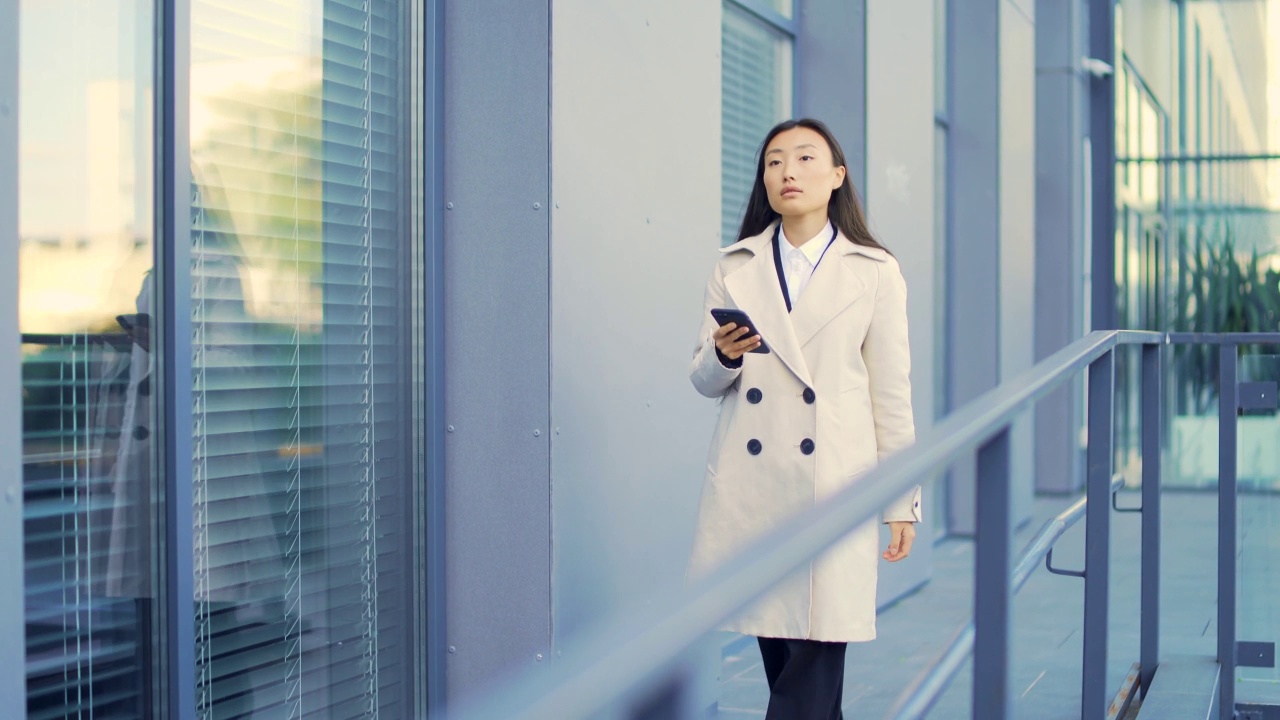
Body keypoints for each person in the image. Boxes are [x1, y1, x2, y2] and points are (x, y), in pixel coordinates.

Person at [687, 118, 921, 719]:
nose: (788, 172)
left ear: (837, 175)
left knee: (805, 683)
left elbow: (890, 396)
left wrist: (901, 500)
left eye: (805, 158)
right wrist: (724, 354)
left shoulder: (874, 271)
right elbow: (702, 380)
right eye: (774, 162)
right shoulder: (733, 265)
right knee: (790, 672)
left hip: (833, 489)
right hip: (754, 490)